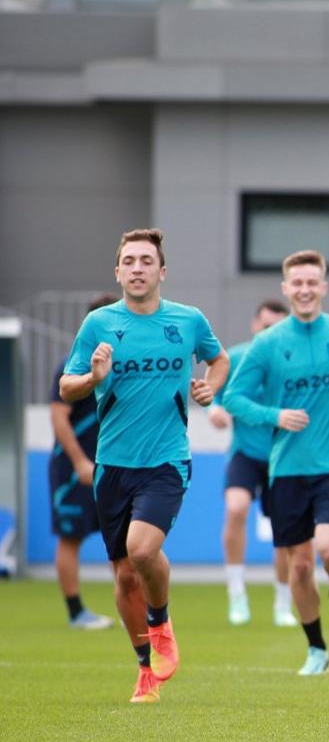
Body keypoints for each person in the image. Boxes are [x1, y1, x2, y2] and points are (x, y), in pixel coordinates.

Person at [60, 228, 228, 703]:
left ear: (162, 271)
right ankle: (144, 670)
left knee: (142, 548)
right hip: (112, 465)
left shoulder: (188, 320)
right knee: (125, 575)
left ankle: (160, 623)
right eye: (129, 261)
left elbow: (219, 360)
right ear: (118, 271)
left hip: (166, 460)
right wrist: (92, 378)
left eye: (146, 261)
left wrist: (210, 387)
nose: (137, 268)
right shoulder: (98, 324)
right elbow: (67, 387)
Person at [224, 250, 329, 676]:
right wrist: (274, 415)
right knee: (299, 564)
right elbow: (233, 398)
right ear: (286, 288)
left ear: (323, 287)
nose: (304, 289)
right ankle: (316, 649)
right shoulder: (268, 343)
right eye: (296, 283)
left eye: (311, 282)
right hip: (286, 469)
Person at [207, 299, 296, 627]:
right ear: (255, 325)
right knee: (236, 508)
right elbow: (214, 391)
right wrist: (213, 409)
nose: (271, 332)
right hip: (245, 453)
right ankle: (236, 592)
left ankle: (283, 602)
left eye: (278, 327)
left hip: (283, 456)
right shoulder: (238, 357)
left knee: (285, 531)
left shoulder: (294, 362)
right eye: (266, 326)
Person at [49, 292, 119, 630]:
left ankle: (132, 607)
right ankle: (76, 612)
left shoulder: (121, 365)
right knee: (71, 537)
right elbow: (58, 417)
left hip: (112, 465)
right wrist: (79, 462)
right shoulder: (71, 366)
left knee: (122, 540)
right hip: (74, 469)